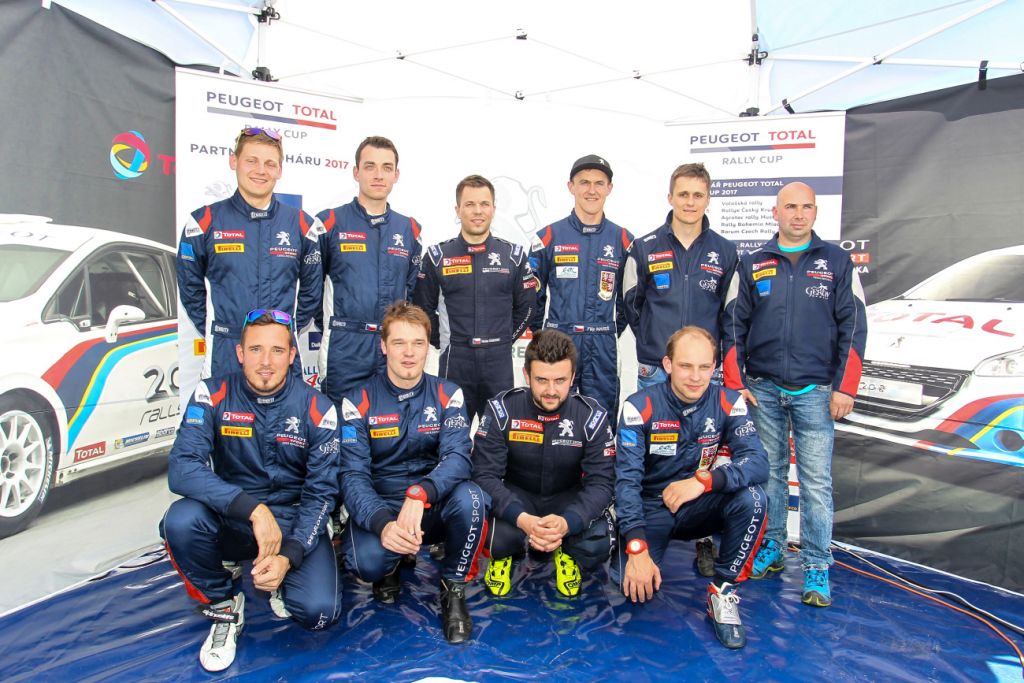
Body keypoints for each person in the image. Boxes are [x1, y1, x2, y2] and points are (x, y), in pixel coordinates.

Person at [161, 309, 341, 672]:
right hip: (235, 516)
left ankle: (280, 575)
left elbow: (322, 493)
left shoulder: (319, 408)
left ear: (292, 356)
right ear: (240, 353)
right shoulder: (211, 394)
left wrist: (288, 555)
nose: (266, 362)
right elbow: (182, 469)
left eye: (277, 351)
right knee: (180, 521)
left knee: (319, 614)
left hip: (294, 520)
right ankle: (225, 605)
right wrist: (253, 510)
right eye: (256, 350)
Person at [722, 181, 867, 607]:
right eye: (790, 207)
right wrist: (736, 381)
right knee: (768, 474)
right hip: (763, 389)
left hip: (817, 391)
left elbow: (854, 327)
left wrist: (845, 386)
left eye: (806, 207)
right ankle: (772, 545)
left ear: (815, 212)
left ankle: (817, 564)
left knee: (816, 483)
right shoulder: (752, 263)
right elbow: (733, 324)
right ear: (776, 212)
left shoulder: (837, 262)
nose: (798, 214)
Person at [337, 301, 489, 644]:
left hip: (428, 503)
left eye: (418, 343)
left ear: (427, 347)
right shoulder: (357, 400)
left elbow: (458, 458)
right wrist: (382, 524)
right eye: (399, 343)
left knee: (472, 498)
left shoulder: (448, 393)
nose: (409, 353)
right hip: (382, 507)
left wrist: (421, 493)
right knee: (365, 563)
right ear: (383, 346)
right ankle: (391, 562)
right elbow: (352, 476)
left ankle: (453, 588)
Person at [612, 326, 768, 649]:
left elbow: (758, 463)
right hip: (651, 508)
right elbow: (626, 482)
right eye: (685, 366)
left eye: (704, 367)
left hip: (698, 502)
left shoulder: (729, 402)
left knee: (753, 498)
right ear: (668, 365)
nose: (696, 377)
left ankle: (722, 592)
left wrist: (705, 481)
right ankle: (636, 553)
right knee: (630, 587)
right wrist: (636, 547)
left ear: (714, 367)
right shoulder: (639, 406)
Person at [621, 162, 739, 577]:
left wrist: (712, 364)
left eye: (698, 195)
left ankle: (703, 535)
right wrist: (656, 346)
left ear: (708, 199)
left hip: (704, 375)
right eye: (683, 194)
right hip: (656, 369)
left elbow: (731, 314)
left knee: (704, 456)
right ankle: (644, 529)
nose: (690, 202)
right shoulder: (644, 247)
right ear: (670, 197)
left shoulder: (726, 251)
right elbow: (631, 303)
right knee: (649, 458)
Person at [472, 329, 615, 598]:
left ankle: (567, 550)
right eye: (541, 380)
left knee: (597, 542)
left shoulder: (592, 416)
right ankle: (504, 554)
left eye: (560, 380)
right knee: (490, 533)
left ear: (573, 377)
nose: (551, 391)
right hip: (517, 499)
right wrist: (522, 519)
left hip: (567, 499)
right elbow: (484, 474)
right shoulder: (502, 409)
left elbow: (602, 482)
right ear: (526, 375)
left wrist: (568, 522)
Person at [177, 127, 323, 380]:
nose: (261, 170)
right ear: (234, 161)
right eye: (251, 161)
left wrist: (280, 331)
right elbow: (190, 291)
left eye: (270, 164)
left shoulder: (302, 225)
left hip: (281, 354)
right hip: (226, 353)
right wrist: (227, 331)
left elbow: (312, 292)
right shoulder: (203, 222)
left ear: (279, 170)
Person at [413, 174, 536, 421]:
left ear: (493, 209)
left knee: (500, 435)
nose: (477, 211)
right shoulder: (438, 256)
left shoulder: (513, 255)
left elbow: (527, 308)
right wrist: (447, 342)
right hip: (456, 361)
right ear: (457, 210)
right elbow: (422, 310)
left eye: (484, 204)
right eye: (469, 204)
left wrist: (503, 339)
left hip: (499, 362)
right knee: (451, 433)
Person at [315, 135, 423, 403]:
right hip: (344, 350)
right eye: (370, 166)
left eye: (386, 168)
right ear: (356, 172)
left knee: (392, 424)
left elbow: (412, 294)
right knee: (341, 423)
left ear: (396, 175)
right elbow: (311, 291)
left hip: (393, 349)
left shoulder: (409, 230)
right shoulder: (329, 223)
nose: (378, 175)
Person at [529, 154, 634, 417]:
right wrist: (543, 337)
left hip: (602, 345)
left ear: (609, 188)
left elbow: (630, 300)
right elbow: (532, 296)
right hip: (559, 341)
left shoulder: (623, 239)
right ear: (571, 187)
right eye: (584, 182)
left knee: (601, 418)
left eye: (599, 183)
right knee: (553, 416)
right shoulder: (548, 237)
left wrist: (607, 330)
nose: (591, 190)